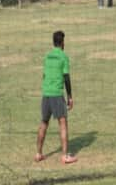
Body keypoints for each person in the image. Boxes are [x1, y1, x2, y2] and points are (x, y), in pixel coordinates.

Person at [35, 31, 77, 165]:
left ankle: (38, 153)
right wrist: (70, 96)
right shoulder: (63, 56)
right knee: (63, 123)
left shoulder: (47, 56)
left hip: (46, 93)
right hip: (57, 94)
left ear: (53, 42)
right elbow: (66, 77)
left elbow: (44, 75)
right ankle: (65, 156)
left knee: (44, 123)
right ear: (62, 43)